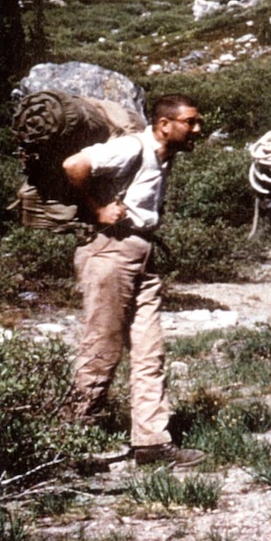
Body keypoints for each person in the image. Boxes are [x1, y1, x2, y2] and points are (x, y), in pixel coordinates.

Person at [63, 94, 207, 468]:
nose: (197, 129)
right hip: (110, 251)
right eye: (190, 122)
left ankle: (151, 442)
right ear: (164, 125)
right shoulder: (131, 147)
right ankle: (67, 439)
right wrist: (97, 209)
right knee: (102, 348)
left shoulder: (164, 156)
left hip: (141, 253)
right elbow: (73, 165)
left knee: (149, 350)